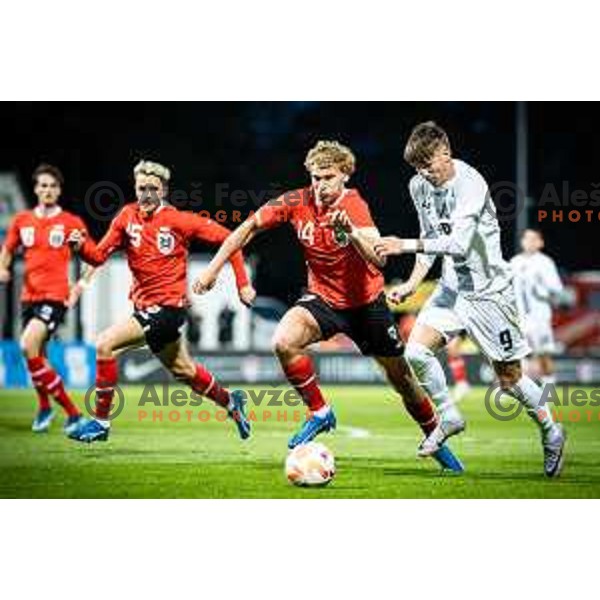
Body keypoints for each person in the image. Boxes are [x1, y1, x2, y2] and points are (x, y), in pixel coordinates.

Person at [193, 140, 463, 472]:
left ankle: (437, 442)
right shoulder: (296, 200)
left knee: (402, 380)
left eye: (328, 177)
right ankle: (320, 411)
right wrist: (212, 270)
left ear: (345, 175)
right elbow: (247, 228)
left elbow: (378, 262)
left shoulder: (355, 206)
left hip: (366, 304)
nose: (320, 185)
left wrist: (350, 233)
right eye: (315, 177)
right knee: (283, 341)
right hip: (323, 299)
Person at [376, 121, 566, 477]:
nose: (424, 174)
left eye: (428, 165)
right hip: (451, 289)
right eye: (417, 168)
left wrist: (402, 244)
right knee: (415, 351)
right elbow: (429, 236)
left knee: (509, 379)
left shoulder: (470, 184)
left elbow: (459, 245)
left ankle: (551, 430)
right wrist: (414, 283)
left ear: (445, 152)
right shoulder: (419, 184)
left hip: (489, 293)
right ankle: (449, 417)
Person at [67, 160, 256, 443]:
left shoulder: (179, 220)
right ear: (134, 187)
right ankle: (231, 402)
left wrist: (243, 283)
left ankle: (100, 423)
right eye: (141, 188)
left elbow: (231, 239)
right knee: (184, 371)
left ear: (164, 190)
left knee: (105, 344)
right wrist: (80, 247)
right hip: (145, 308)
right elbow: (98, 256)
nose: (146, 194)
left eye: (152, 189)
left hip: (168, 310)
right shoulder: (125, 217)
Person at [0, 164, 88, 434]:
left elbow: (93, 255)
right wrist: (3, 267)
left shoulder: (71, 222)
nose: (48, 190)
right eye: (43, 185)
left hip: (55, 297)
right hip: (29, 298)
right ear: (36, 188)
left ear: (59, 190)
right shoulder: (22, 220)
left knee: (28, 345)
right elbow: (7, 249)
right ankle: (44, 407)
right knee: (37, 356)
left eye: (53, 186)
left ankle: (73, 414)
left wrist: (80, 284)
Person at [511, 229, 565, 387]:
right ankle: (512, 390)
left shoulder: (545, 262)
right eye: (527, 239)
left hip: (539, 317)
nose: (530, 242)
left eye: (534, 239)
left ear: (541, 243)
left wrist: (543, 290)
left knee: (543, 355)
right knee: (514, 356)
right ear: (522, 242)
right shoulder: (514, 262)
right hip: (519, 318)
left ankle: (549, 391)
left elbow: (557, 290)